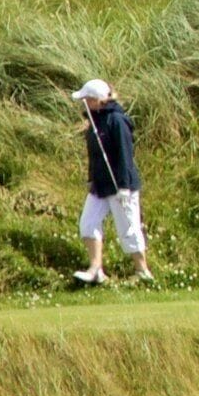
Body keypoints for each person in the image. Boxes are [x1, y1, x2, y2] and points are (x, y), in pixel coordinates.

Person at [72, 79, 149, 286]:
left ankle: (143, 272)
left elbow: (125, 155)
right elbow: (95, 156)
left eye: (87, 99)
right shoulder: (95, 121)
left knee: (128, 227)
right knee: (88, 224)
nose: (84, 103)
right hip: (100, 185)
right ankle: (95, 269)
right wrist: (92, 180)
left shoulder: (117, 120)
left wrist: (124, 186)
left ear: (97, 100)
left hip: (121, 186)